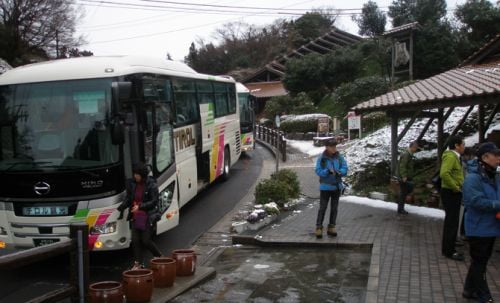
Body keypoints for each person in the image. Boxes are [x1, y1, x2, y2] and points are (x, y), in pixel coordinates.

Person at [462, 142, 500, 303]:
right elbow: (475, 201)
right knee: (480, 262)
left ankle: (469, 290)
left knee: (480, 261)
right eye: (495, 155)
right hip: (478, 227)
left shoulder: (494, 175)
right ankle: (484, 296)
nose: (498, 158)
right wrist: (497, 205)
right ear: (485, 157)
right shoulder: (473, 178)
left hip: (491, 226)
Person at [118, 163, 162, 268]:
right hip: (135, 216)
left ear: (142, 175)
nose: (135, 176)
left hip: (147, 216)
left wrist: (140, 206)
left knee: (146, 240)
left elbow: (154, 201)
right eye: (134, 174)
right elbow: (129, 198)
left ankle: (158, 255)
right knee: (135, 240)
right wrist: (123, 206)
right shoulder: (133, 184)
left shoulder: (152, 185)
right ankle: (138, 264)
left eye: (137, 175)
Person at [314, 139, 348, 238]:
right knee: (322, 208)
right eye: (332, 146)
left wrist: (340, 171)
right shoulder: (322, 158)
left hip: (336, 186)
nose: (334, 148)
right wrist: (327, 172)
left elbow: (345, 167)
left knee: (334, 208)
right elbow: (318, 171)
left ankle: (331, 227)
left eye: (335, 146)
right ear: (327, 147)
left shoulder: (339, 157)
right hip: (325, 187)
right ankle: (319, 228)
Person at [440, 135, 466, 261]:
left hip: (452, 192)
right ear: (456, 145)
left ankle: (449, 248)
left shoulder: (455, 157)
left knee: (453, 221)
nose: (464, 147)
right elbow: (444, 173)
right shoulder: (451, 156)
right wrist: (455, 186)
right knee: (452, 222)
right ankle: (449, 251)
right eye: (463, 144)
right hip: (450, 192)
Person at [397, 141, 419, 214]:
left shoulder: (409, 154)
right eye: (415, 148)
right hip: (403, 177)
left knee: (404, 192)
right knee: (403, 193)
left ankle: (400, 208)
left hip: (406, 176)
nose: (416, 150)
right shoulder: (406, 154)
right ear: (412, 147)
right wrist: (404, 176)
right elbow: (402, 166)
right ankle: (400, 209)